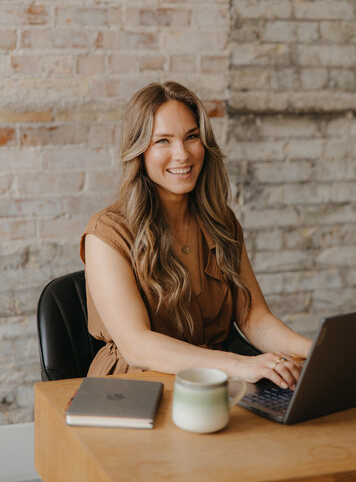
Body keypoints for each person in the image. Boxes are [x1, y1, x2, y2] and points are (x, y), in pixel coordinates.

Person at [80, 81, 311, 390]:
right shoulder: (107, 232)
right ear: (140, 151)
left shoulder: (221, 221)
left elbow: (253, 315)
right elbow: (137, 345)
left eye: (191, 137)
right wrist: (243, 365)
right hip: (135, 388)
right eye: (163, 141)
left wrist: (315, 350)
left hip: (213, 381)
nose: (182, 154)